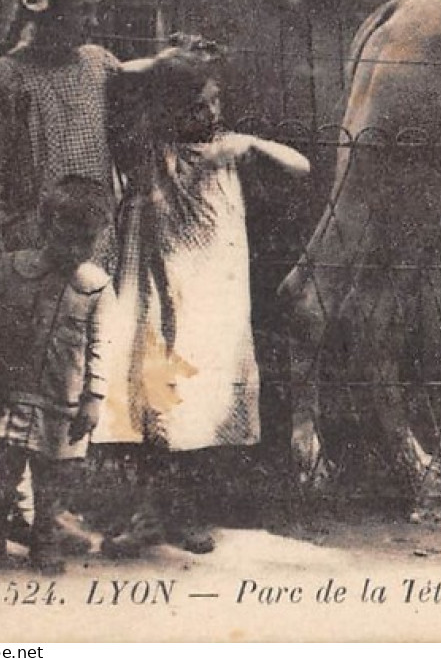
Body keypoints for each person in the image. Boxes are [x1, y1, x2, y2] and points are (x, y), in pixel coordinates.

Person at [95, 36, 310, 557]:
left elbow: (301, 167)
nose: (209, 112)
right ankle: (149, 513)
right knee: (153, 394)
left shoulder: (228, 147)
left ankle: (183, 513)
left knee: (201, 402)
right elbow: (124, 78)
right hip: (158, 287)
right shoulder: (151, 148)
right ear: (170, 103)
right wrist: (172, 66)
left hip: (212, 294)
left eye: (216, 99)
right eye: (196, 102)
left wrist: (253, 143)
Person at [0, 176, 114, 574]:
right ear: (45, 226)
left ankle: (45, 543)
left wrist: (94, 397)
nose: (75, 251)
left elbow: (100, 346)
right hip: (8, 395)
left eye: (86, 242)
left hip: (60, 401)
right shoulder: (12, 269)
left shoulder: (95, 287)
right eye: (66, 239)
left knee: (54, 483)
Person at [0, 0, 119, 266]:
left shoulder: (100, 65)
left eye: (95, 11)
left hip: (95, 237)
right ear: (47, 12)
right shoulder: (5, 77)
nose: (93, 22)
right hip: (35, 241)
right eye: (82, 11)